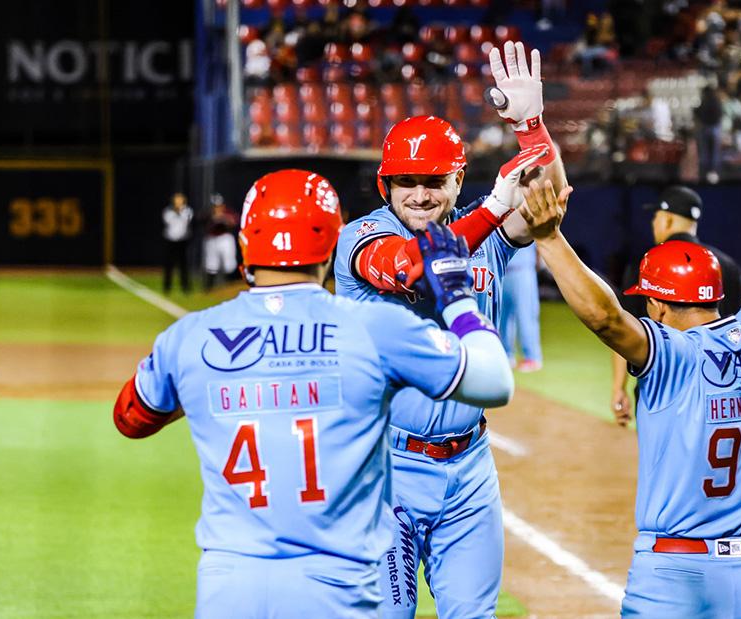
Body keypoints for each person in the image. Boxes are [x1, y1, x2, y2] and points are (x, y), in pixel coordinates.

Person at [112, 169, 514, 618]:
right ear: (330, 244)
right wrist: (458, 298)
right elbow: (493, 381)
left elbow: (130, 418)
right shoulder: (373, 328)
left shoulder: (190, 338)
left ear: (245, 243)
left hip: (230, 588)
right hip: (336, 587)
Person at [517, 92, 741, 618]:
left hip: (677, 577)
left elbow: (605, 318)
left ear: (659, 304)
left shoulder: (673, 355)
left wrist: (550, 241)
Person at [334, 41, 568, 619]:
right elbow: (413, 266)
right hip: (383, 470)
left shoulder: (482, 230)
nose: (419, 193)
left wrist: (532, 131)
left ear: (456, 179)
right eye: (405, 180)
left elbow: (551, 200)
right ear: (385, 185)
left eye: (433, 179)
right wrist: (492, 204)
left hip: (469, 470)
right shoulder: (361, 236)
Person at [611, 185, 741, 421]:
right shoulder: (725, 265)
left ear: (666, 220)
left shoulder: (648, 265)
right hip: (722, 395)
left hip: (663, 394)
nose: (653, 223)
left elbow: (624, 331)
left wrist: (618, 388)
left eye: (655, 217)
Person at [500, 244, 543, 372]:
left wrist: (537, 264)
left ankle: (532, 357)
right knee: (502, 316)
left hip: (522, 270)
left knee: (526, 315)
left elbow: (540, 241)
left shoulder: (527, 223)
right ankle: (507, 354)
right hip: (502, 270)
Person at [202, 194, 239, 291]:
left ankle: (230, 285)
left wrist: (224, 218)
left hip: (225, 238)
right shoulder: (208, 214)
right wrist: (213, 218)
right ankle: (209, 288)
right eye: (215, 206)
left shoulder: (227, 213)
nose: (217, 208)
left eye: (219, 205)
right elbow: (202, 221)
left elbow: (235, 221)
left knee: (229, 264)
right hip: (212, 239)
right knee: (211, 264)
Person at [162, 192, 193, 294]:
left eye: (180, 200)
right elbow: (168, 222)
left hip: (183, 241)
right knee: (169, 265)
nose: (178, 202)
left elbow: (188, 222)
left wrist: (181, 211)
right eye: (176, 200)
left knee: (184, 265)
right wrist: (176, 211)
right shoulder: (168, 211)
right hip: (170, 241)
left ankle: (185, 287)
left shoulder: (188, 211)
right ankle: (167, 287)